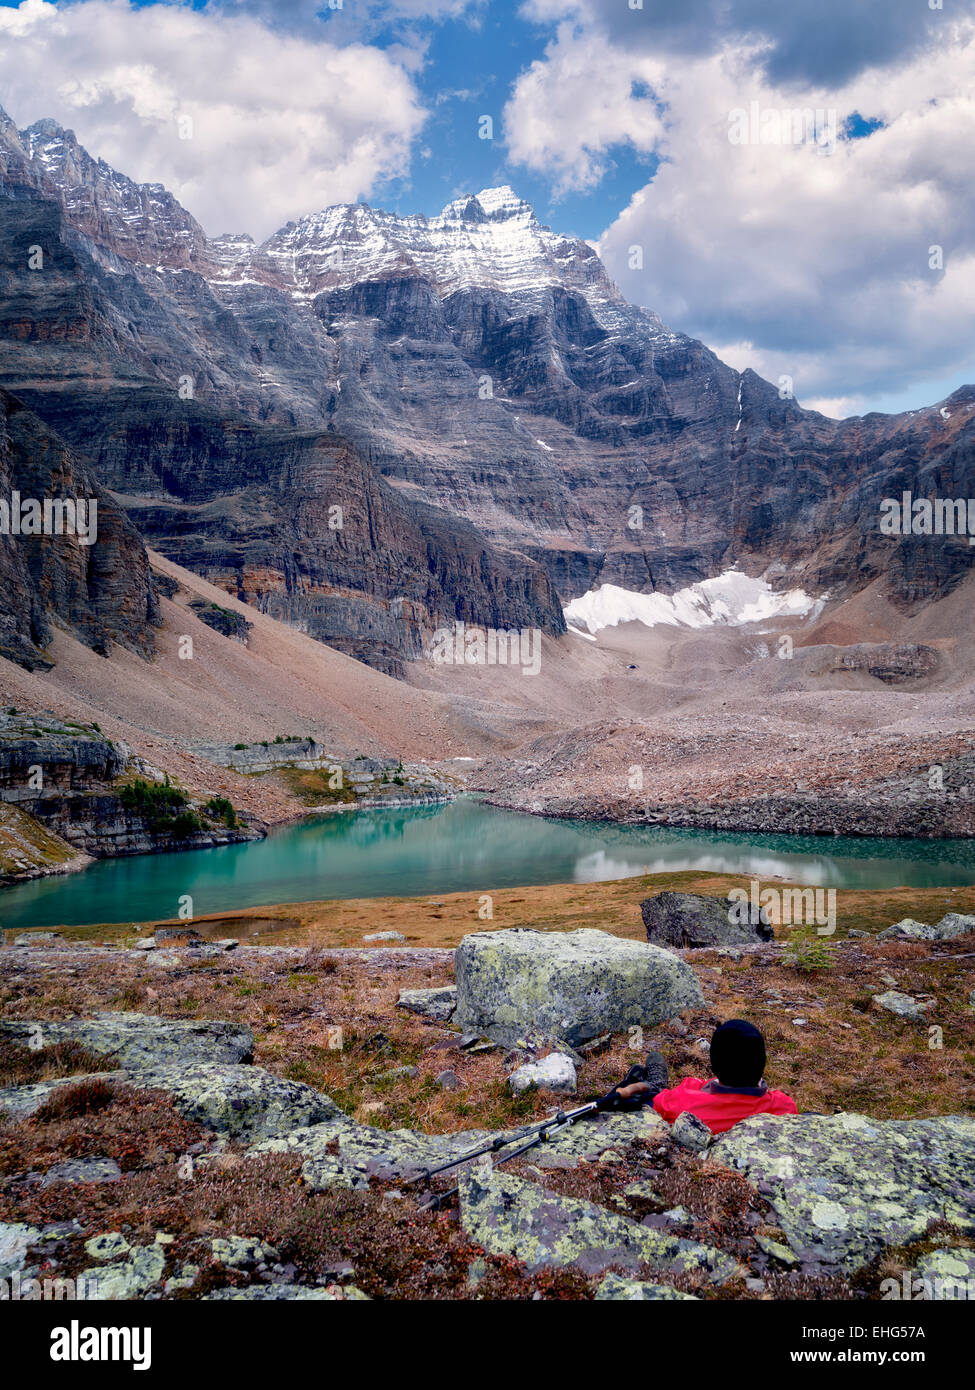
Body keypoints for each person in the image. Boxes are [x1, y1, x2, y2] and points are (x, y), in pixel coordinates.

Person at [599, 1019, 797, 1135]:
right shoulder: (784, 1107)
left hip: (667, 1099)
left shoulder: (685, 1101)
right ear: (762, 1063)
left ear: (713, 1064)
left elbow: (660, 1102)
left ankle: (654, 1080)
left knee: (651, 1088)